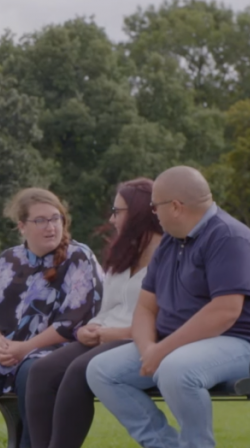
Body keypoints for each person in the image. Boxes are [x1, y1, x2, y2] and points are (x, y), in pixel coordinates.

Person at [86, 166, 250, 448]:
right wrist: (148, 349)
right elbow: (146, 308)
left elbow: (225, 312)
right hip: (185, 347)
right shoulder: (171, 243)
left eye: (154, 206)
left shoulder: (229, 238)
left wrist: (163, 349)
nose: (152, 212)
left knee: (175, 369)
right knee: (101, 370)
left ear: (175, 206)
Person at [0, 187, 103, 448]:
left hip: (57, 350)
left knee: (32, 373)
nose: (50, 227)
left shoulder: (79, 258)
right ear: (22, 226)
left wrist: (25, 348)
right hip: (9, 349)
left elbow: (72, 323)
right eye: (40, 220)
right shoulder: (6, 261)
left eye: (56, 218)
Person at [25, 178, 163, 448]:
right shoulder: (125, 255)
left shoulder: (169, 256)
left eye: (117, 211)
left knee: (78, 371)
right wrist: (89, 328)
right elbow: (108, 307)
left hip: (139, 339)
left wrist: (117, 333)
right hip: (103, 335)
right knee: (41, 371)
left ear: (138, 212)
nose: (112, 220)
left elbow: (169, 318)